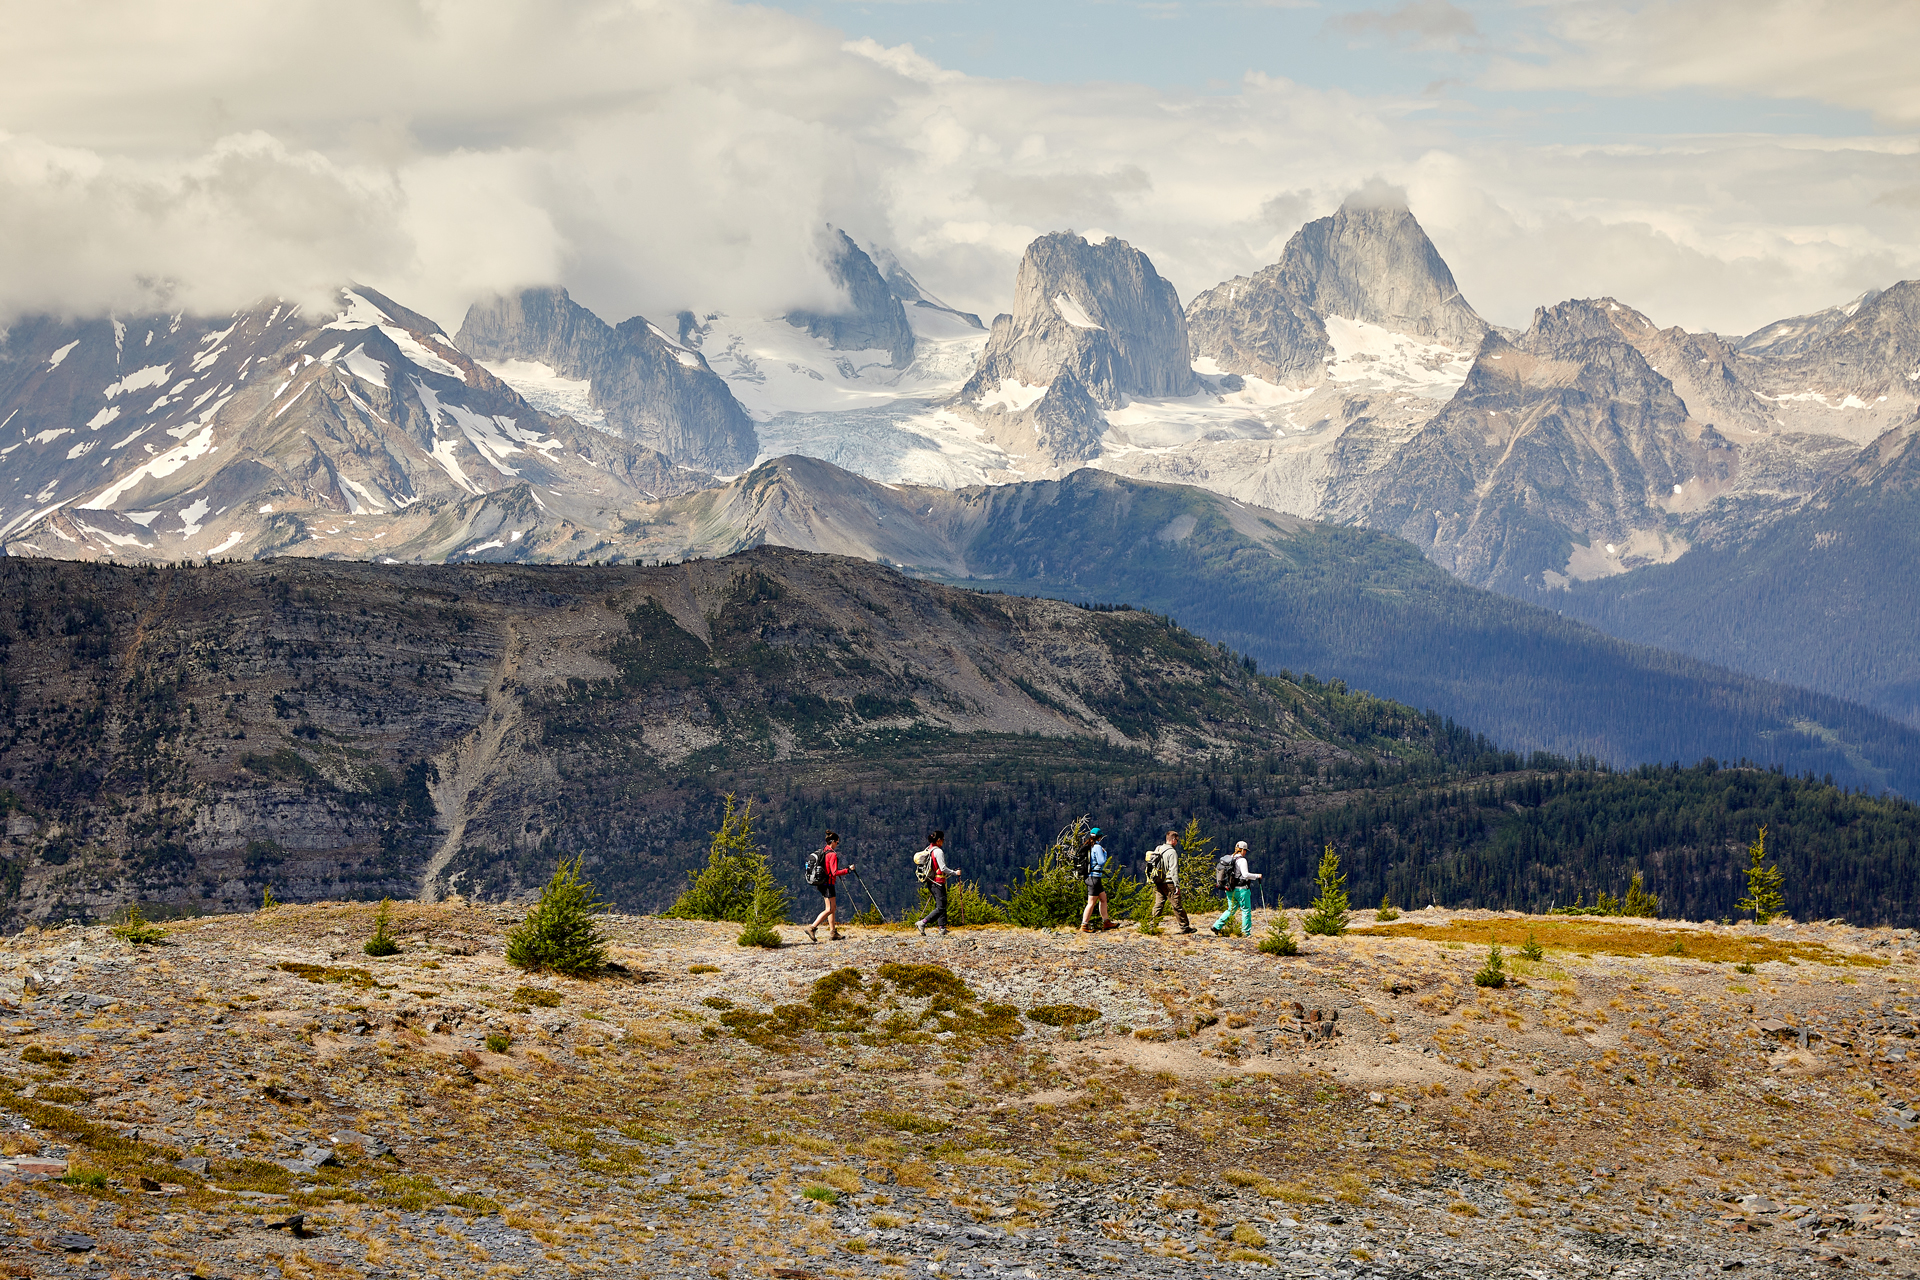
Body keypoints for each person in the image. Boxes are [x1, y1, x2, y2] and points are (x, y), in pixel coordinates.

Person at [806, 831, 854, 943]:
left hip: (822, 883)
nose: (837, 844)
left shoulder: (823, 852)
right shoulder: (832, 854)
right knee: (830, 909)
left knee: (832, 908)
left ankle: (833, 932)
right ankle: (812, 927)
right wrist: (848, 870)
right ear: (833, 842)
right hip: (828, 884)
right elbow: (834, 872)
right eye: (837, 842)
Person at [1147, 828, 1194, 933]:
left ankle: (1151, 926)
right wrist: (1177, 885)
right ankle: (1184, 927)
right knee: (1177, 905)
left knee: (1158, 904)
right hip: (1169, 882)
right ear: (1173, 839)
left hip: (1158, 881)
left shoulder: (1158, 848)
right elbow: (1173, 870)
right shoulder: (1172, 852)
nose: (1177, 842)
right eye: (1177, 840)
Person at [1212, 840, 1261, 936]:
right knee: (1246, 910)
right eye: (1245, 850)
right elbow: (1245, 874)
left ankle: (1217, 926)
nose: (1245, 852)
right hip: (1242, 889)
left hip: (1230, 889)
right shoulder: (1242, 860)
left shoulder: (1230, 858)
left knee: (1231, 909)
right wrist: (1257, 876)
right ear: (1242, 850)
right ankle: (1245, 932)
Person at [915, 830, 959, 937]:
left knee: (941, 904)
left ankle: (942, 928)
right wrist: (955, 873)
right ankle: (922, 923)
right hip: (938, 882)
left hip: (931, 882)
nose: (943, 841)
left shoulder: (929, 849)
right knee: (941, 907)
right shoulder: (938, 852)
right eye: (943, 839)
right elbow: (943, 868)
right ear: (938, 840)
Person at [1079, 826, 1117, 933]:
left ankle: (1106, 921)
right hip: (1094, 878)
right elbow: (1101, 861)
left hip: (1090, 877)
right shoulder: (1097, 847)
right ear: (1099, 837)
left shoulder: (1087, 846)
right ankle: (1084, 925)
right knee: (1091, 902)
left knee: (1103, 899)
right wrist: (1104, 853)